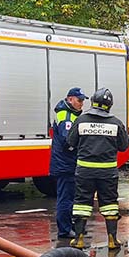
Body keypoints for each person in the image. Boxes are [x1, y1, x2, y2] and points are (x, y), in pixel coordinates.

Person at [67, 87, 129, 249]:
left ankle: (79, 239)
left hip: (84, 171)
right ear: (109, 105)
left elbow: (70, 142)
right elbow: (124, 146)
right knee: (109, 204)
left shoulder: (81, 120)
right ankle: (112, 240)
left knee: (82, 203)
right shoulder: (115, 123)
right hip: (107, 173)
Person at [49, 87, 87, 240]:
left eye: (83, 101)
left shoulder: (68, 113)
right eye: (79, 100)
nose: (81, 104)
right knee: (65, 198)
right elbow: (68, 140)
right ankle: (64, 230)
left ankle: (69, 227)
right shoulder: (65, 115)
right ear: (70, 99)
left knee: (70, 197)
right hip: (65, 163)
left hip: (66, 162)